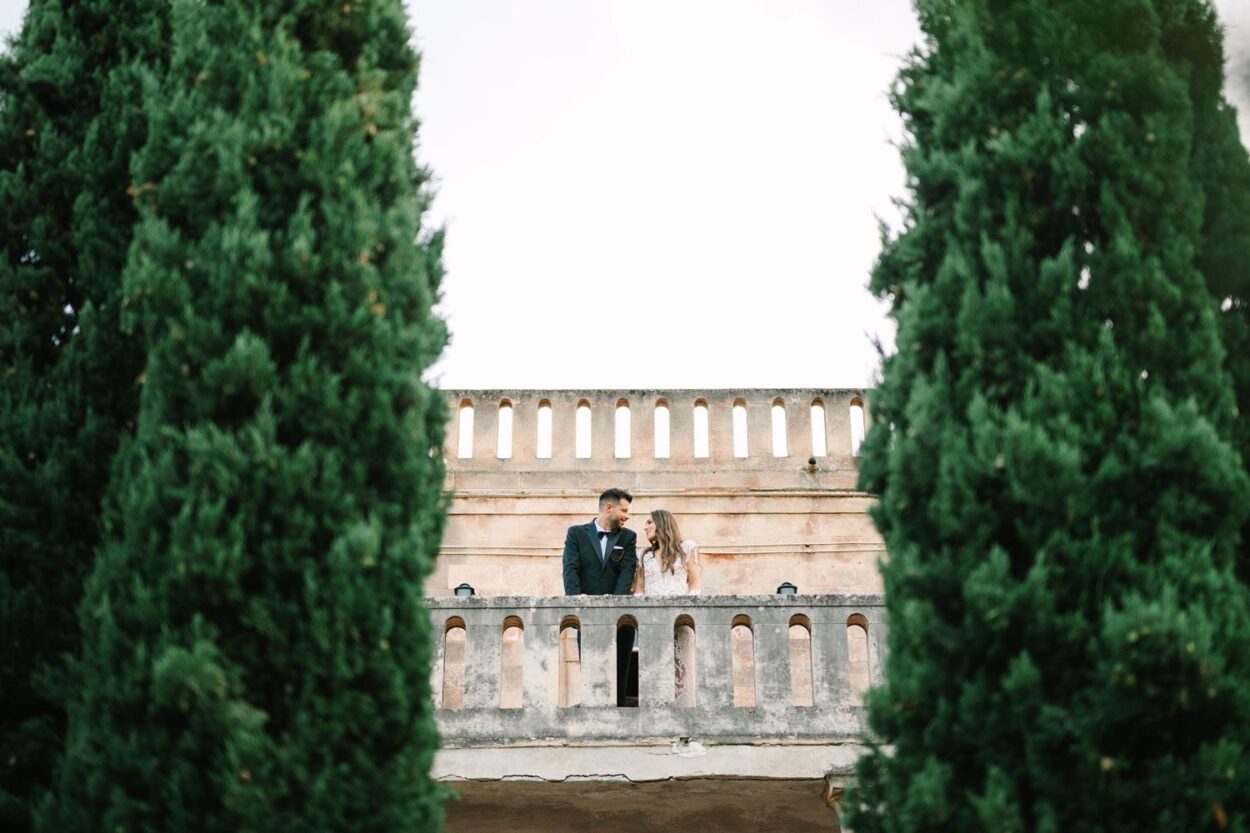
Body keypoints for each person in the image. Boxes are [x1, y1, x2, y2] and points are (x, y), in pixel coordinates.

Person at [562, 488, 637, 705]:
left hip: (619, 618)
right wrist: (579, 604)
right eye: (624, 510)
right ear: (609, 507)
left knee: (621, 668)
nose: (627, 515)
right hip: (587, 616)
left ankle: (620, 707)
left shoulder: (628, 537)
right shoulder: (576, 533)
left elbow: (627, 572)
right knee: (591, 669)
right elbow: (570, 569)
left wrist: (613, 604)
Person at [633, 509, 701, 596]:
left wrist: (687, 608)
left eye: (649, 522)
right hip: (651, 608)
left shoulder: (687, 548)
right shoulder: (644, 555)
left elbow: (694, 584)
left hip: (679, 607)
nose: (645, 527)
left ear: (662, 523)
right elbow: (639, 590)